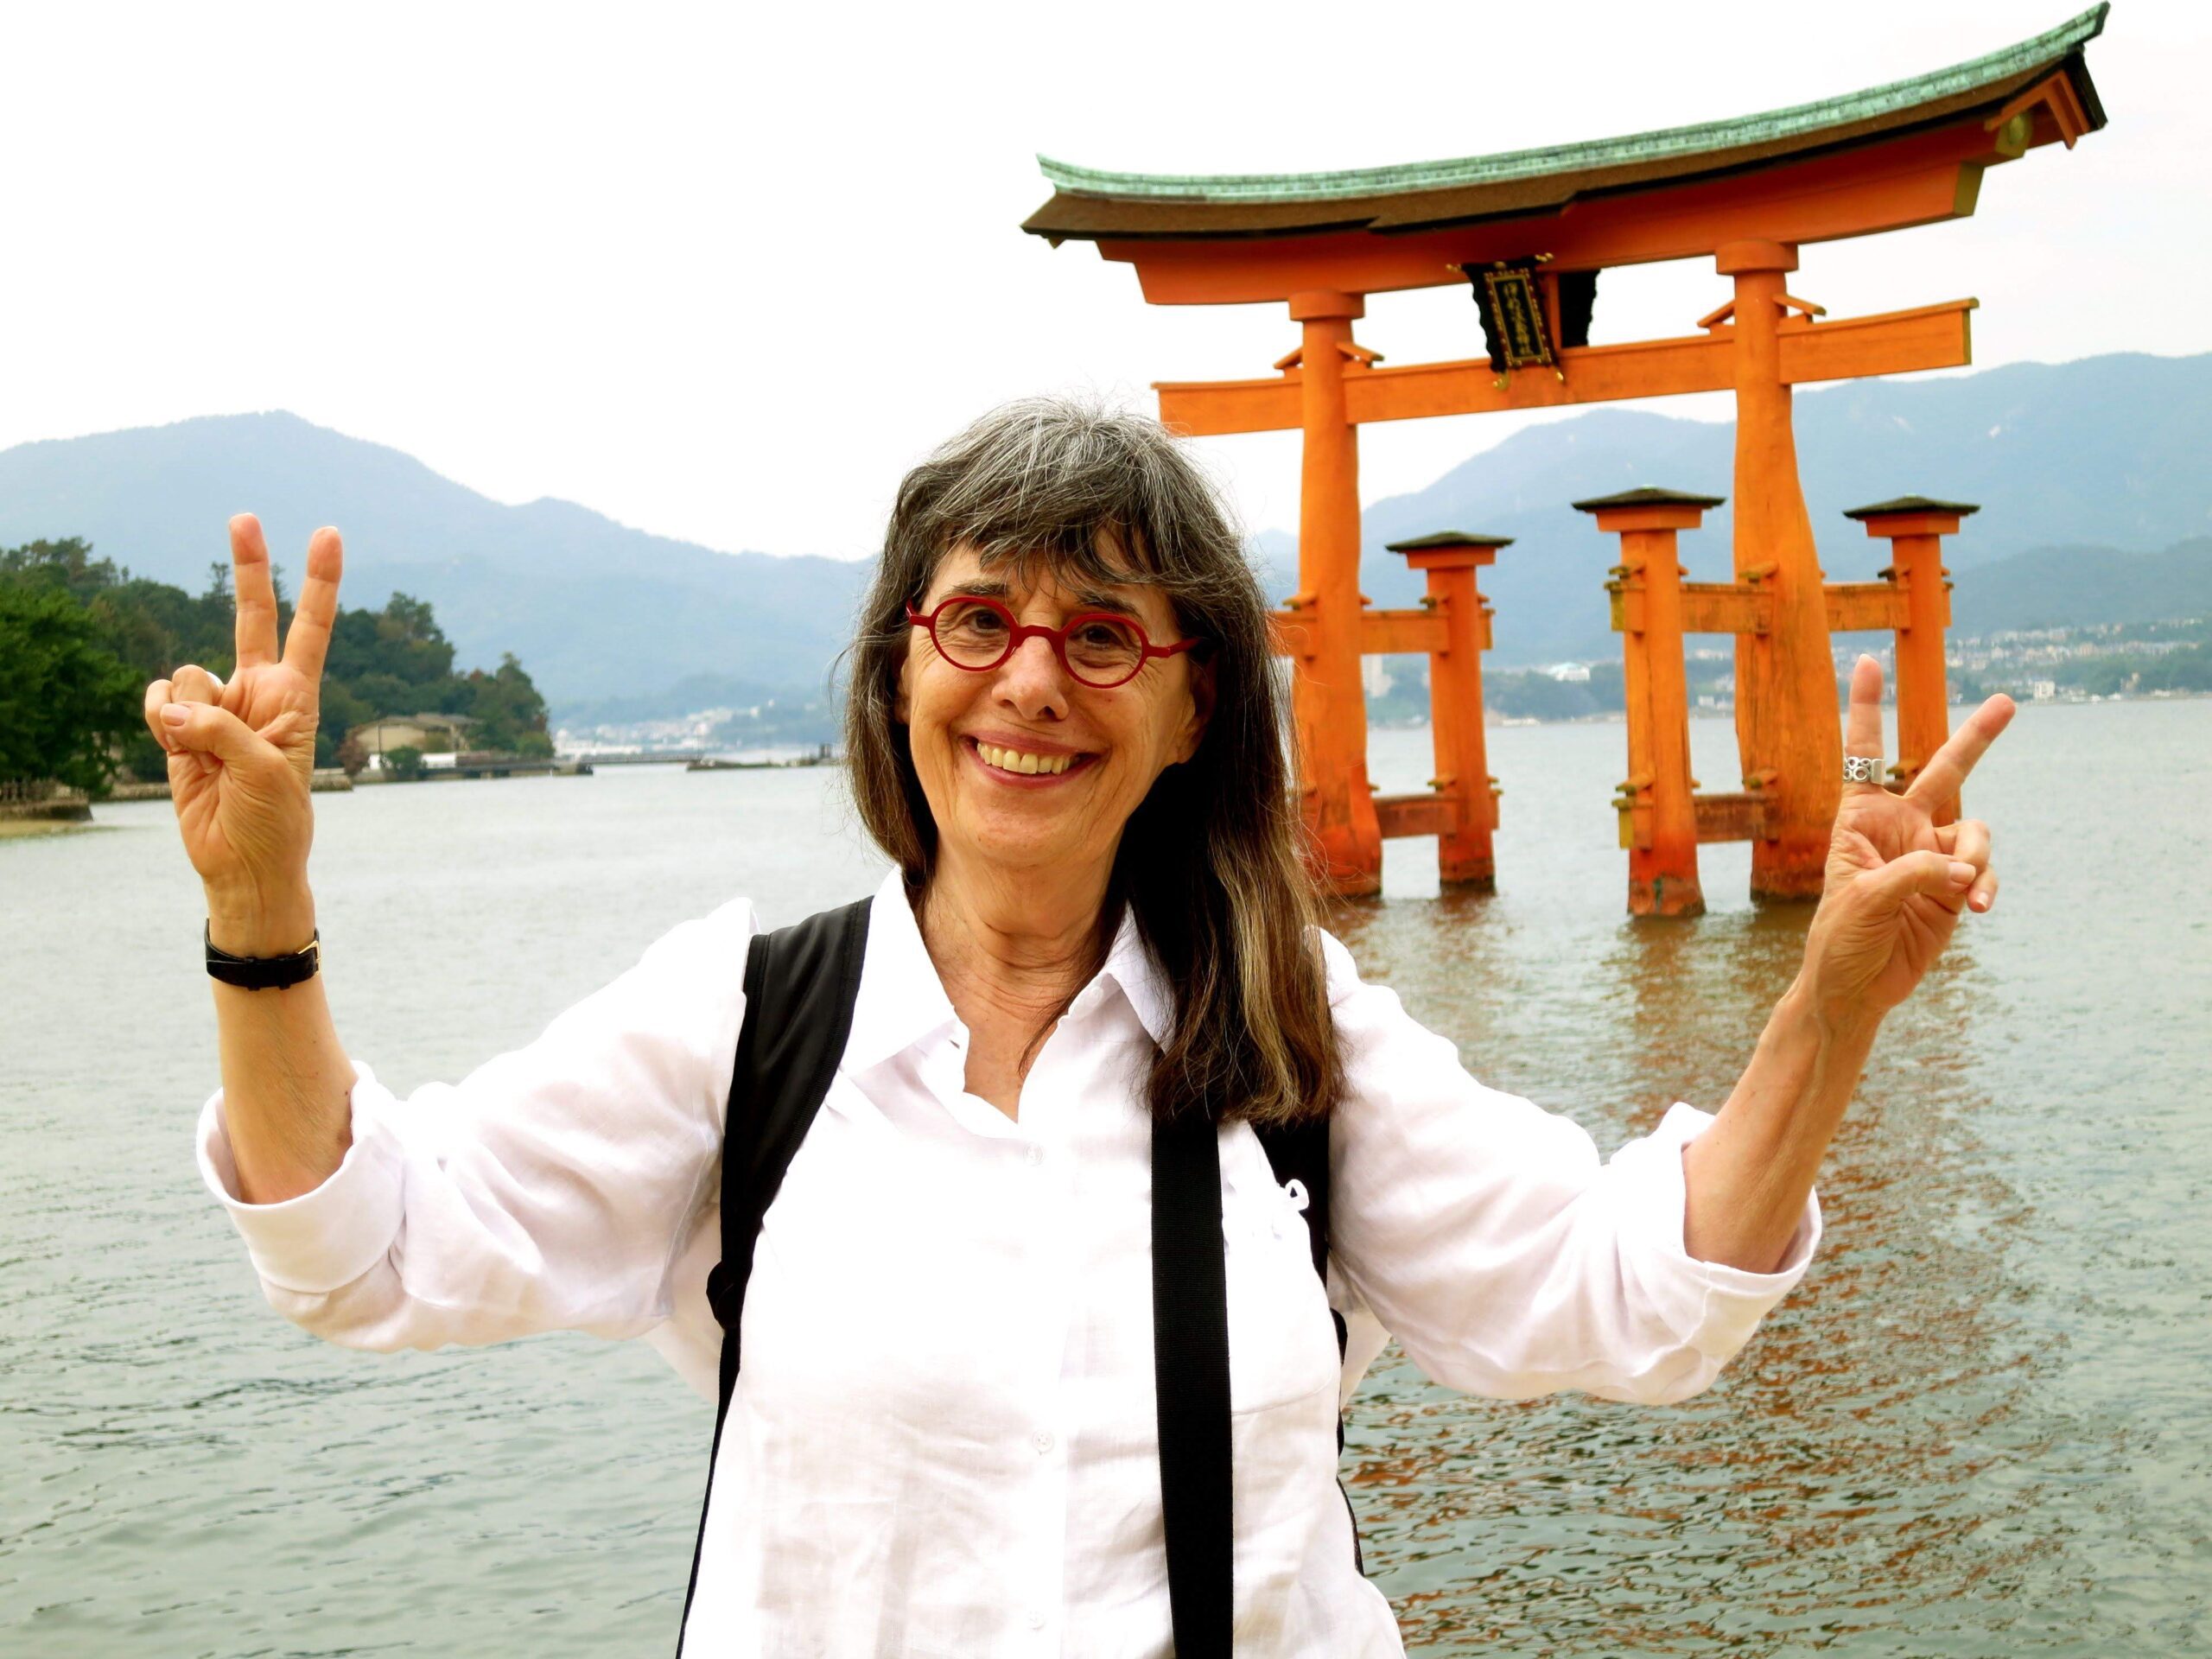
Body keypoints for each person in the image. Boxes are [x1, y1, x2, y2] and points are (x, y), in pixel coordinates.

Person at [150, 399, 2010, 1657]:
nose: (1028, 680)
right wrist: (258, 917)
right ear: (899, 671)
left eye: (1103, 631)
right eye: (974, 621)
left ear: (1193, 706)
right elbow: (365, 1246)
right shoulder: (749, 1025)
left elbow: (1625, 1298)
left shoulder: (1295, 1043)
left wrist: (1825, 1009)